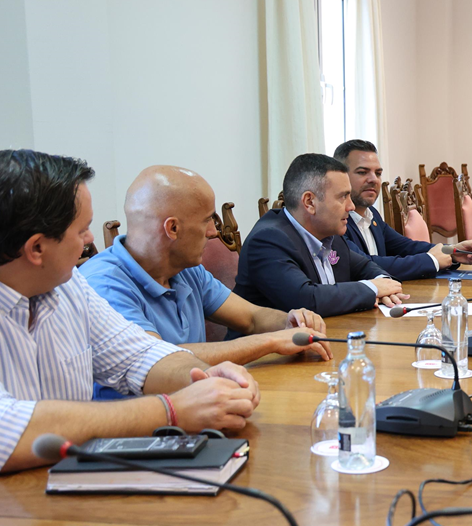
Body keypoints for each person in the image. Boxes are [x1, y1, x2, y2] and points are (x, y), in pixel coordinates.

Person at [0, 150, 260, 479]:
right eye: (82, 230)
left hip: (63, 489)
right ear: (36, 249)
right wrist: (171, 410)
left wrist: (208, 379)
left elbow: (139, 357)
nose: (89, 241)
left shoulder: (67, 288)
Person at [81, 167, 333, 393]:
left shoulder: (185, 268)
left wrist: (290, 321)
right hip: (138, 430)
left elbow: (251, 317)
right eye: (207, 221)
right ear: (173, 229)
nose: (214, 232)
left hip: (195, 404)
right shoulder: (104, 284)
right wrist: (271, 341)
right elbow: (161, 360)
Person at [233, 154, 407, 317]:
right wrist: (373, 289)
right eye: (343, 197)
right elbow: (306, 300)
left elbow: (364, 266)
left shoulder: (330, 232)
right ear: (310, 202)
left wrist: (384, 284)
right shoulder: (268, 241)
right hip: (272, 348)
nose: (351, 206)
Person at [333, 139, 472, 280]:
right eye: (362, 172)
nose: (373, 179)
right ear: (340, 176)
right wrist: (432, 260)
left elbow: (406, 247)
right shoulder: (335, 222)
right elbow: (366, 265)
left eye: (378, 173)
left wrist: (452, 251)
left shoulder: (372, 214)